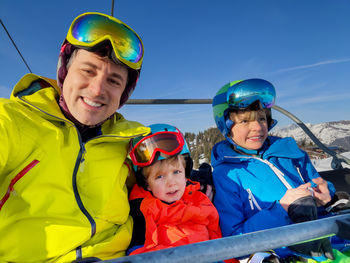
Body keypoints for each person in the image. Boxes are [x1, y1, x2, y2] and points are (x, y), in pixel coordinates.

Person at [0, 12, 150, 262]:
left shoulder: (128, 140)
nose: (97, 89)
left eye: (114, 81)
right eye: (88, 71)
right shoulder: (13, 121)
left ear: (124, 94)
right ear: (64, 71)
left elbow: (160, 184)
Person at [211, 78, 350, 262]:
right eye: (245, 121)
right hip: (285, 253)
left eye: (262, 118)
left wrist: (328, 195)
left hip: (329, 240)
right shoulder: (227, 175)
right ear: (226, 126)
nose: (258, 127)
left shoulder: (290, 152)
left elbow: (318, 186)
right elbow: (234, 241)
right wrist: (283, 209)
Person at [127, 123, 237, 262]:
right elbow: (139, 253)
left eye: (176, 172)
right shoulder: (144, 210)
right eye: (159, 177)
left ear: (186, 174)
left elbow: (218, 241)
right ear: (147, 184)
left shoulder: (200, 200)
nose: (171, 182)